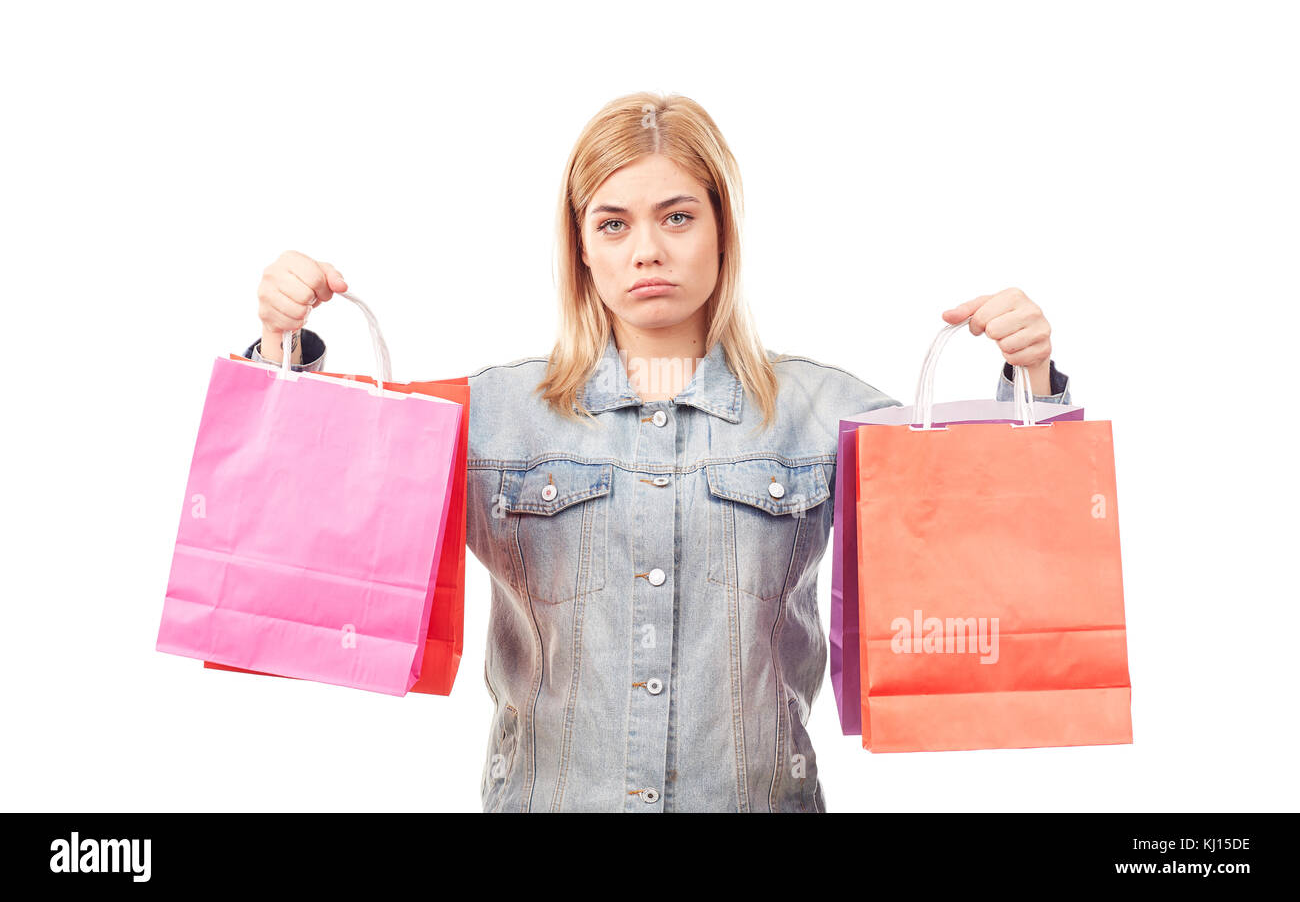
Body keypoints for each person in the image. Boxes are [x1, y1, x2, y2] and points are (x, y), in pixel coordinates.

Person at [240, 92, 1072, 812]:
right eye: (614, 222)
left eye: (677, 216)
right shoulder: (494, 415)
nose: (648, 249)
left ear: (721, 231)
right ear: (582, 248)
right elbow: (321, 494)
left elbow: (990, 539)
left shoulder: (828, 413)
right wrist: (286, 348)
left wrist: (1026, 377)